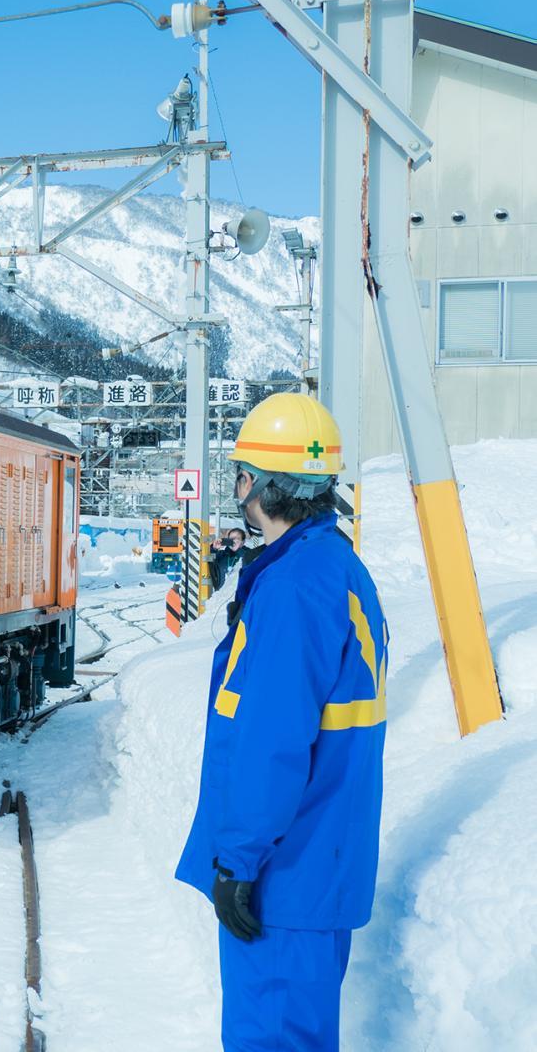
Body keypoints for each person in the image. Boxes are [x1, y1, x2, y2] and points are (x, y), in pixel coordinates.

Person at [175, 393, 388, 1051]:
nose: (238, 490)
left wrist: (237, 862)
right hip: (318, 866)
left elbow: (271, 742)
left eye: (242, 475)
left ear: (265, 485)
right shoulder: (338, 569)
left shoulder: (294, 587)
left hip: (281, 878)